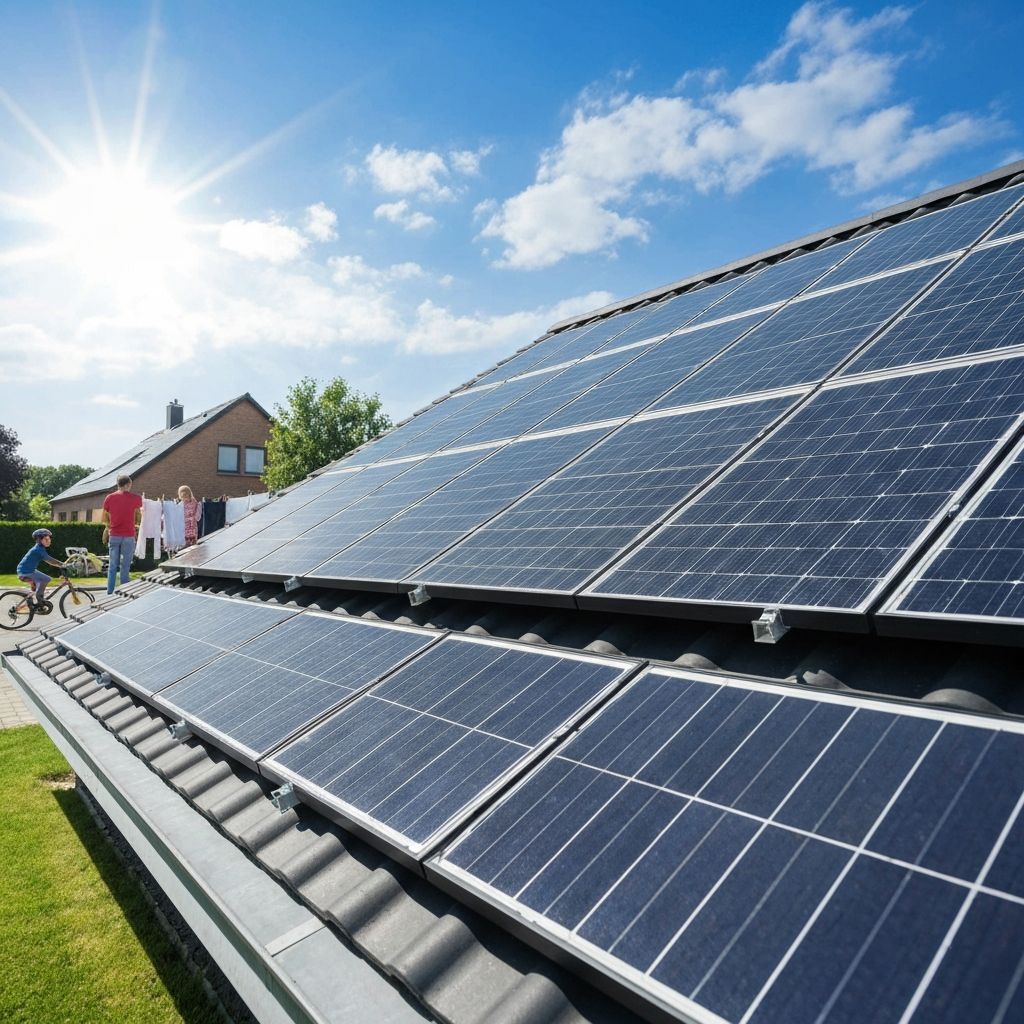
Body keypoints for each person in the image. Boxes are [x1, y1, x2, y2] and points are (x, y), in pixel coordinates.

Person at [101, 474, 143, 594]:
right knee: (125, 566)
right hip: (129, 536)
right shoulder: (136, 498)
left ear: (118, 484)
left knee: (112, 566)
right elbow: (144, 509)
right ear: (128, 484)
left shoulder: (109, 498)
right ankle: (124, 592)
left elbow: (104, 517)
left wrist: (109, 527)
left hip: (114, 535)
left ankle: (110, 592)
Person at [16, 528, 67, 607]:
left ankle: (37, 601)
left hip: (28, 570)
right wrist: (62, 564)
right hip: (26, 572)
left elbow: (49, 560)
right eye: (46, 539)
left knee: (45, 580)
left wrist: (61, 564)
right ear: (39, 540)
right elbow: (49, 560)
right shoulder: (38, 549)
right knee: (46, 579)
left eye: (49, 539)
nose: (49, 541)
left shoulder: (40, 548)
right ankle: (40, 599)